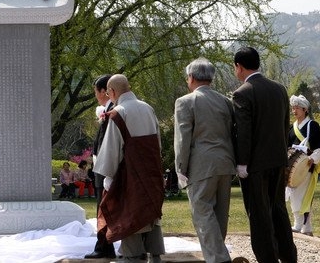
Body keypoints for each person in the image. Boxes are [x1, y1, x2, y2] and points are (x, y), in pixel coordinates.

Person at [232, 46, 297, 263]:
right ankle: (288, 255)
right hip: (278, 160)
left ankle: (267, 258)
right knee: (278, 210)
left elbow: (244, 132)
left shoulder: (243, 92)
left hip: (255, 165)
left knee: (259, 216)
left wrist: (241, 163)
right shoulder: (280, 89)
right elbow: (285, 126)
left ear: (239, 67)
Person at [94, 74, 165, 263]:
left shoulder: (118, 113)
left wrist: (108, 178)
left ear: (113, 92)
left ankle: (132, 256)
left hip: (130, 176)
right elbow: (157, 145)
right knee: (150, 214)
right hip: (152, 173)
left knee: (130, 215)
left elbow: (111, 150)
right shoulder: (148, 108)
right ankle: (155, 256)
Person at [174, 58, 236, 263]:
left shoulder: (185, 101)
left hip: (200, 164)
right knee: (219, 215)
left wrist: (180, 168)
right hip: (225, 162)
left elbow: (183, 138)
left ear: (191, 77)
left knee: (202, 214)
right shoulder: (226, 101)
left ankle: (218, 258)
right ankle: (218, 254)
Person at [85, 74, 116, 259]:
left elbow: (107, 141)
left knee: (103, 209)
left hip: (106, 169)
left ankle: (103, 246)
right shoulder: (108, 109)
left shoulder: (112, 111)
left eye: (96, 91)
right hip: (102, 168)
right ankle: (106, 245)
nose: (95, 95)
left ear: (104, 91)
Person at [286, 94, 320, 236]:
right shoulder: (291, 127)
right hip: (294, 167)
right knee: (294, 195)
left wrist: (313, 158)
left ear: (305, 109)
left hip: (306, 166)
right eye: (293, 108)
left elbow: (318, 146)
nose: (294, 111)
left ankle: (303, 226)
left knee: (304, 196)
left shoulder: (312, 125)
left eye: (297, 108)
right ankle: (302, 226)